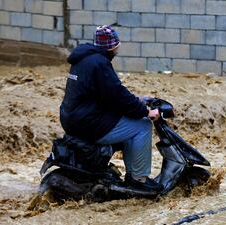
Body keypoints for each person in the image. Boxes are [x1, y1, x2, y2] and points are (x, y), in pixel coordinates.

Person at [59, 25, 161, 191]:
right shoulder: (100, 63)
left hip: (74, 119)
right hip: (88, 123)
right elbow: (117, 95)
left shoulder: (84, 59)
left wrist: (138, 100)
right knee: (142, 125)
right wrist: (146, 111)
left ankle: (130, 175)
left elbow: (107, 93)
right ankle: (139, 180)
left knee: (131, 122)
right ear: (114, 46)